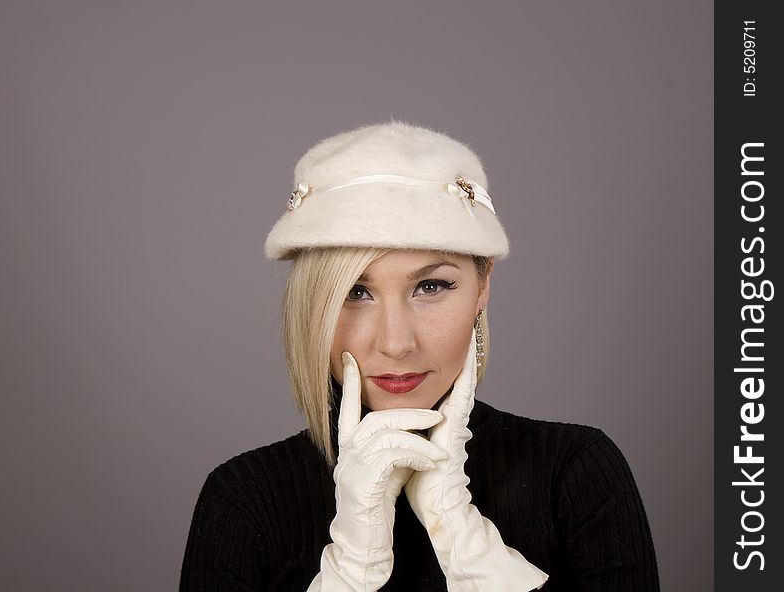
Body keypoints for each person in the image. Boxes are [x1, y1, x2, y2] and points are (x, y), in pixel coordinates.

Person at [180, 121, 660, 590]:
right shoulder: (244, 498)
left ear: (483, 285)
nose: (396, 342)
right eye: (355, 292)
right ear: (312, 303)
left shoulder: (574, 471)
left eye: (431, 286)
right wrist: (350, 574)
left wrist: (468, 545)